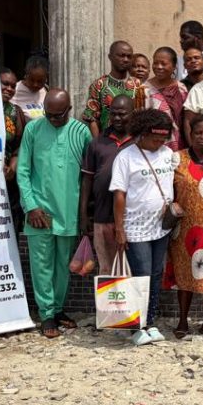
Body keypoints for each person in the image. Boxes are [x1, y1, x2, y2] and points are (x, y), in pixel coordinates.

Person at [17, 89, 92, 339]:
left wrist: (85, 214)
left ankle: (59, 309)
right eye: (48, 115)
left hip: (68, 212)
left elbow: (88, 175)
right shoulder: (33, 129)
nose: (52, 120)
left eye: (58, 116)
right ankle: (46, 313)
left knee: (63, 265)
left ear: (69, 110)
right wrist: (31, 206)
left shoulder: (81, 132)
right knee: (41, 265)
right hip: (40, 211)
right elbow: (23, 171)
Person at [110, 109, 182, 346]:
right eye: (155, 138)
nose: (160, 142)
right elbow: (119, 194)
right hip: (135, 226)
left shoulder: (168, 154)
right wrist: (120, 229)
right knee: (141, 274)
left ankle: (150, 321)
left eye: (163, 138)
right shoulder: (126, 157)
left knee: (156, 274)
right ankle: (136, 325)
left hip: (161, 226)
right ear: (141, 134)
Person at [165, 114, 203, 337]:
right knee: (184, 274)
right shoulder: (176, 159)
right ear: (190, 134)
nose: (202, 136)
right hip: (183, 229)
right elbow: (166, 189)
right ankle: (182, 321)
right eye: (198, 132)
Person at [79, 96, 134, 273]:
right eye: (114, 114)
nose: (117, 118)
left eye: (122, 114)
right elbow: (87, 181)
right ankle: (110, 303)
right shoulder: (96, 143)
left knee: (133, 273)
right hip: (102, 218)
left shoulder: (140, 143)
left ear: (133, 114)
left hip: (133, 221)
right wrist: (84, 214)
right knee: (107, 272)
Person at [82, 40, 146, 137]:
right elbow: (92, 118)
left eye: (129, 56)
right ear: (110, 57)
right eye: (121, 55)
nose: (125, 59)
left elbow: (142, 116)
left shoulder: (138, 85)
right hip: (107, 142)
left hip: (132, 142)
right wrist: (97, 144)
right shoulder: (99, 85)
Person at [0, 67, 28, 233]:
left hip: (8, 181)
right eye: (5, 84)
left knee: (11, 223)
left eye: (12, 86)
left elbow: (20, 145)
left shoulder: (15, 112)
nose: (9, 89)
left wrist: (12, 167)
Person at [145, 46, 188, 151]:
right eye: (155, 63)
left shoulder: (181, 89)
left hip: (179, 147)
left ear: (174, 67)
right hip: (152, 147)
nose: (159, 67)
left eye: (163, 64)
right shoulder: (144, 90)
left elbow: (186, 120)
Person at [12, 54, 49, 120]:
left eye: (40, 81)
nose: (35, 84)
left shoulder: (47, 91)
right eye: (31, 80)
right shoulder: (13, 91)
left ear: (46, 78)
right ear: (26, 74)